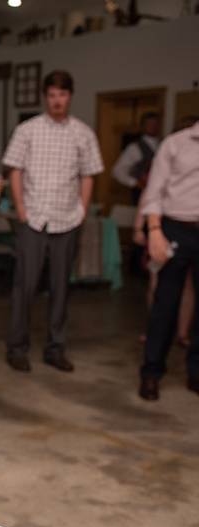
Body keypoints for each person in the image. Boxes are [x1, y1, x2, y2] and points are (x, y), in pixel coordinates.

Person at [3, 70, 104, 373]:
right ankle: (17, 347)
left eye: (62, 94)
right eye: (51, 95)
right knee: (26, 286)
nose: (57, 100)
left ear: (69, 96)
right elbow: (15, 170)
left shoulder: (83, 133)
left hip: (67, 220)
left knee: (61, 287)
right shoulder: (28, 130)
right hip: (34, 218)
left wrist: (82, 210)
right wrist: (20, 207)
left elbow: (88, 175)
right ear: (45, 97)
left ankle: (55, 347)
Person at [137, 117, 199, 401]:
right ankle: (151, 372)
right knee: (166, 302)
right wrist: (154, 231)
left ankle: (196, 373)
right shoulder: (175, 144)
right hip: (175, 227)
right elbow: (154, 192)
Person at [112, 112, 161, 205]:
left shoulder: (165, 144)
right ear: (143, 126)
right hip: (141, 193)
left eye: (155, 124)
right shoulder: (134, 147)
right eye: (149, 124)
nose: (153, 126)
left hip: (161, 193)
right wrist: (134, 183)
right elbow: (117, 171)